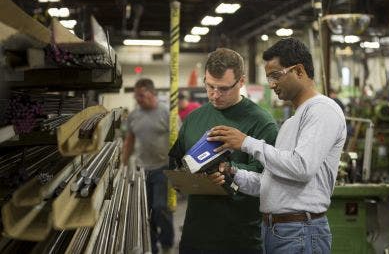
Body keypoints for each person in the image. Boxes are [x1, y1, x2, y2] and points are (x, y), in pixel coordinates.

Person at [207, 38, 347, 254]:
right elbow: (269, 184)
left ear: (299, 71)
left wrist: (247, 142)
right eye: (268, 77)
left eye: (275, 75)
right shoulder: (292, 122)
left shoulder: (322, 110)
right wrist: (233, 173)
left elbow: (302, 168)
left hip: (300, 231)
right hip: (278, 231)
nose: (271, 84)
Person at [168, 48, 279, 253]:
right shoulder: (194, 119)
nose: (215, 95)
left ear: (241, 82)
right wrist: (181, 179)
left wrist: (228, 172)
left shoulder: (262, 123)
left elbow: (268, 181)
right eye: (210, 86)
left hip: (239, 239)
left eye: (224, 88)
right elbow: (176, 161)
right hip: (196, 236)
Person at [122, 78, 174, 254]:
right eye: (136, 96)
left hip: (163, 168)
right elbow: (129, 141)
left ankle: (167, 243)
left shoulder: (167, 113)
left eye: (142, 96)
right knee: (146, 211)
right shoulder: (134, 116)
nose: (138, 100)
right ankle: (151, 247)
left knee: (161, 208)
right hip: (142, 170)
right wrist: (123, 164)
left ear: (152, 93)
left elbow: (178, 140)